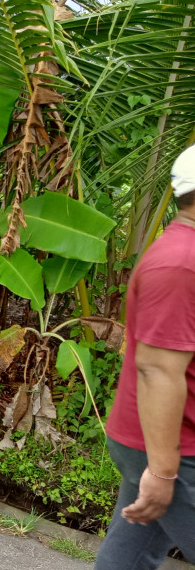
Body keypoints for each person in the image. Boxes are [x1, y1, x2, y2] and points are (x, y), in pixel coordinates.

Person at [94, 145, 195, 568]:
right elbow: (156, 369)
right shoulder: (180, 264)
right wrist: (163, 470)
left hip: (166, 442)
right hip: (174, 448)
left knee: (132, 553)